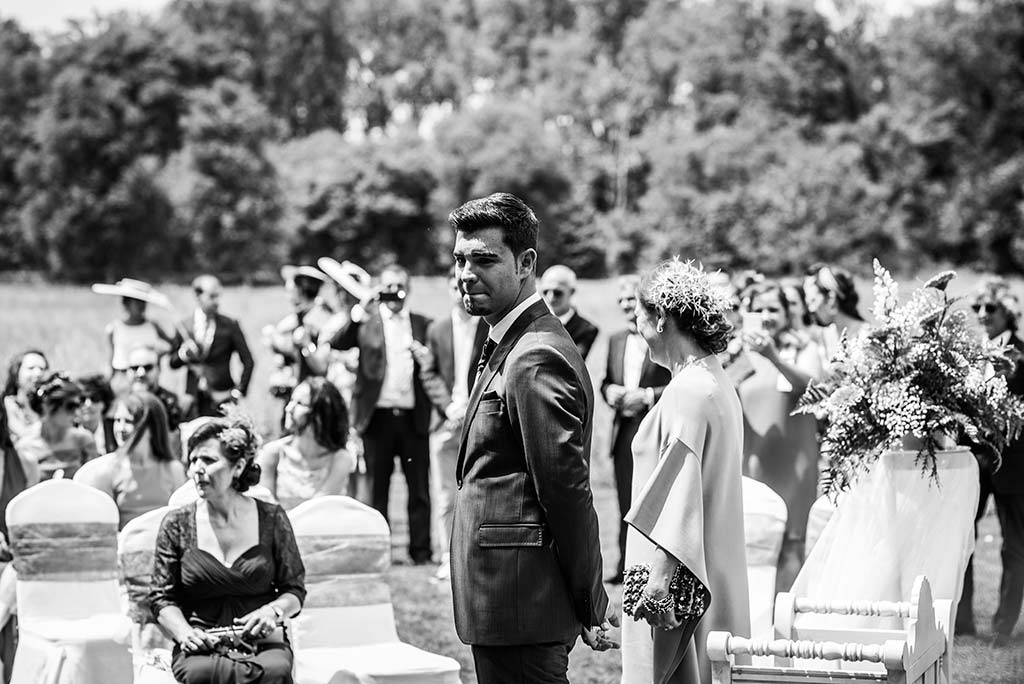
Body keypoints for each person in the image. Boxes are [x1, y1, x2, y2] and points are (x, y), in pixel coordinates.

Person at [448, 193, 616, 683]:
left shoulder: (535, 353)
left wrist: (590, 598)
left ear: (525, 263)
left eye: (483, 259)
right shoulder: (511, 338)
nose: (466, 273)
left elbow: (565, 491)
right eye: (459, 259)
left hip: (521, 600)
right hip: (507, 599)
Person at [622, 259, 750, 684]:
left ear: (660, 317)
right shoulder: (713, 378)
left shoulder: (689, 391)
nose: (636, 330)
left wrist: (658, 583)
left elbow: (680, 493)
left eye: (638, 317)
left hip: (680, 585)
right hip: (713, 564)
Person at [150, 416, 305, 684]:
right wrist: (185, 633)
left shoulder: (271, 518)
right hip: (201, 640)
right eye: (193, 460)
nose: (197, 469)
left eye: (208, 460)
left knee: (275, 671)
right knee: (201, 673)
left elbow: (294, 589)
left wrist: (273, 612)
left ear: (238, 466)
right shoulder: (176, 524)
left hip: (261, 640)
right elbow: (161, 599)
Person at [325, 264, 434, 564]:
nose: (394, 292)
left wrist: (425, 357)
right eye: (388, 286)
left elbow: (436, 366)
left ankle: (421, 552)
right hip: (377, 417)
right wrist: (360, 309)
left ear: (408, 289)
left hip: (413, 417)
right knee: (377, 490)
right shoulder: (367, 322)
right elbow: (337, 343)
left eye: (399, 286)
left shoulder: (424, 324)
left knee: (419, 490)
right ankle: (378, 552)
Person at [735, 280, 821, 591]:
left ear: (787, 312)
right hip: (754, 458)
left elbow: (816, 387)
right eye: (759, 309)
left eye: (774, 309)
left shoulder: (802, 347)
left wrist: (774, 357)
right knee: (749, 543)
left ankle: (782, 624)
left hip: (794, 459)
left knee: (791, 541)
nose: (767, 315)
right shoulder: (739, 352)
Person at [956, 278, 1024, 644]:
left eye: (990, 308)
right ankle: (962, 622)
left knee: (1014, 546)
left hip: (1015, 465)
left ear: (1007, 311)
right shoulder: (967, 355)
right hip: (973, 461)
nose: (983, 314)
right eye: (977, 307)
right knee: (963, 539)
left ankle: (1003, 626)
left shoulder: (1022, 356)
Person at [413, 268, 489, 581]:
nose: (461, 292)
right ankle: (447, 555)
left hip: (480, 418)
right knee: (445, 495)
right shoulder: (437, 329)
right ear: (449, 289)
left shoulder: (489, 326)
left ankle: (476, 557)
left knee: (480, 491)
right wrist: (448, 407)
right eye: (455, 287)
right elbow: (428, 373)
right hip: (444, 421)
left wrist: (470, 406)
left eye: (465, 286)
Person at [600, 275, 671, 584]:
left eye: (631, 298)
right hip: (623, 430)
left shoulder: (662, 336)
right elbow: (604, 379)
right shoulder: (615, 338)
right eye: (621, 300)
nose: (626, 304)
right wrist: (610, 392)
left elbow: (676, 381)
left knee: (652, 501)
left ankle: (652, 568)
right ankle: (625, 567)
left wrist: (647, 396)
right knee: (624, 501)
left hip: (653, 427)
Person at [75, 392, 186, 529]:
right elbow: (103, 530)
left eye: (128, 421)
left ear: (152, 427)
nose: (120, 429)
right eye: (117, 421)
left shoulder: (174, 469)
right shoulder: (106, 471)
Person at [257, 378, 355, 510]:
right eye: (291, 400)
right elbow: (266, 508)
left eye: (299, 403)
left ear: (320, 415)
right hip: (278, 529)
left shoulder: (340, 459)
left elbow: (319, 510)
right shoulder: (273, 454)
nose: (289, 408)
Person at [170, 275, 255, 419]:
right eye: (212, 296)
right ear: (198, 296)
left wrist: (239, 391)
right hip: (192, 400)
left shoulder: (230, 325)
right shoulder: (184, 326)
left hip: (223, 398)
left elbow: (248, 361)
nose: (217, 302)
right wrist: (183, 355)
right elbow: (172, 363)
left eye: (218, 296)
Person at [91, 278, 174, 397]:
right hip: (123, 379)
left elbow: (172, 345)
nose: (141, 306)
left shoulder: (152, 326)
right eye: (137, 302)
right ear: (126, 304)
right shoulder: (114, 328)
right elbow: (111, 358)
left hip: (147, 378)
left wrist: (157, 353)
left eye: (143, 302)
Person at [265, 266, 333, 401]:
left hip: (317, 393)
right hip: (299, 388)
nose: (288, 296)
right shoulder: (299, 317)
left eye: (291, 291)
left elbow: (322, 364)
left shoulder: (320, 318)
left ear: (302, 290)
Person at [15, 373, 97, 480]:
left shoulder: (84, 440)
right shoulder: (26, 446)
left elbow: (93, 484)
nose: (76, 413)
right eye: (70, 406)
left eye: (78, 406)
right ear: (48, 406)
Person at [802, 263, 864, 368]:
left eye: (812, 300)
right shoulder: (822, 336)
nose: (810, 309)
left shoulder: (865, 336)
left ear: (831, 299)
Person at [539, 264, 600, 360]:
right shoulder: (535, 323)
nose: (551, 298)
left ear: (571, 292)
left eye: (557, 293)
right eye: (546, 292)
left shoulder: (586, 329)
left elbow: (572, 361)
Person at [126, 345, 184, 434]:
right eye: (134, 368)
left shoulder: (173, 403)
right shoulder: (118, 402)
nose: (141, 373)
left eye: (148, 367)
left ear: (159, 369)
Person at [2, 350, 49, 442]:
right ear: (16, 373)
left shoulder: (47, 402)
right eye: (31, 368)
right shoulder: (7, 402)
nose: (38, 373)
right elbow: (21, 434)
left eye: (42, 369)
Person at [76, 374, 116, 454]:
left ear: (104, 403)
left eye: (94, 398)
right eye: (82, 399)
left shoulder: (115, 429)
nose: (88, 404)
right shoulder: (67, 432)